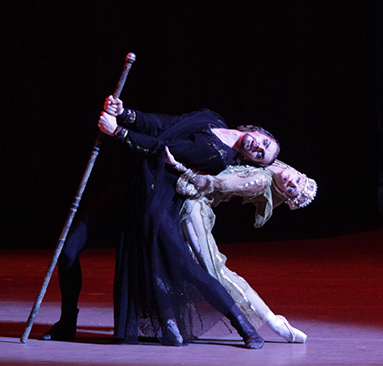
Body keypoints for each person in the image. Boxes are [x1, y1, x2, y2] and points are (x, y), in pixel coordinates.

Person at [42, 95, 280, 348]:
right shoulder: (211, 118)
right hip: (130, 191)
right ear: (257, 130)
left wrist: (119, 132)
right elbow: (163, 124)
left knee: (188, 268)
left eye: (260, 155)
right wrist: (125, 113)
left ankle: (245, 328)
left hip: (155, 204)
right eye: (264, 143)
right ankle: (67, 322)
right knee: (67, 251)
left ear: (250, 160)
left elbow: (162, 150)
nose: (258, 148)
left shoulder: (219, 156)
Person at [166, 150, 316, 343]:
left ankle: (272, 321)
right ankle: (168, 320)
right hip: (181, 192)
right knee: (172, 260)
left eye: (292, 189)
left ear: (282, 194)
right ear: (298, 173)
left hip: (194, 204)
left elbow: (216, 182)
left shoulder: (260, 179)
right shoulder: (275, 161)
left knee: (214, 269)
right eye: (298, 180)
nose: (292, 182)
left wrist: (178, 166)